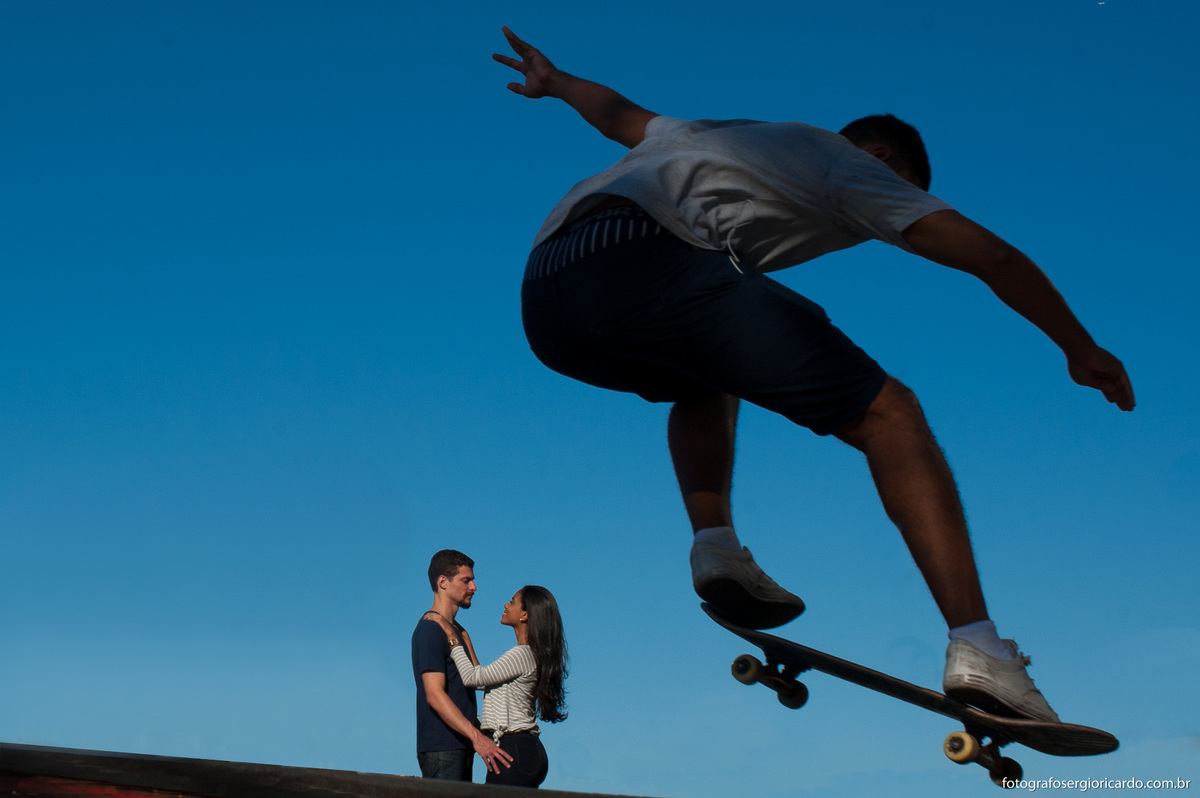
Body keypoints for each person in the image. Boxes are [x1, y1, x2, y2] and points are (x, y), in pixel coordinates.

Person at [494, 27, 1136, 723]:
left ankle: (716, 549)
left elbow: (616, 112)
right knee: (891, 415)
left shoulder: (709, 136)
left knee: (703, 375)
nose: (876, 223)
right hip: (652, 260)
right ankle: (982, 648)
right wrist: (1078, 346)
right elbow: (993, 258)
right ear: (885, 159)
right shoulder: (848, 163)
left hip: (548, 295)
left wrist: (553, 82)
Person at [427, 585, 569, 788]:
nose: (505, 605)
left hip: (514, 749)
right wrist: (465, 639)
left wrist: (452, 636)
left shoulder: (522, 654)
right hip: (520, 751)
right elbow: (482, 678)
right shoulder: (529, 654)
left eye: (512, 601)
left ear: (525, 615)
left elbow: (471, 678)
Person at [411, 549, 513, 780]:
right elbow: (434, 695)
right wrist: (478, 738)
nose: (473, 587)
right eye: (466, 581)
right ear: (443, 582)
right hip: (442, 747)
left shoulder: (456, 631)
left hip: (461, 744)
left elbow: (476, 679)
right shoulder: (430, 629)